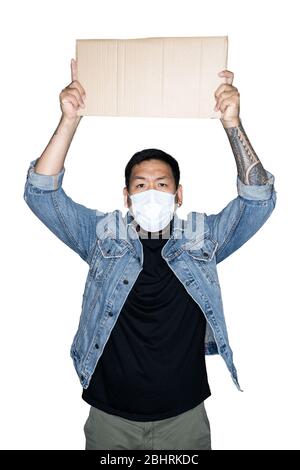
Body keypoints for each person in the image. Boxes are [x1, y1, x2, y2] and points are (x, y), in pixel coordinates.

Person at [23, 58, 277, 450]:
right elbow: (42, 194)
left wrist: (232, 124)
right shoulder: (102, 236)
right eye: (141, 184)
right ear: (126, 196)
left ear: (178, 195)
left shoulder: (201, 238)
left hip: (185, 417)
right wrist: (69, 120)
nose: (151, 192)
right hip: (110, 418)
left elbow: (258, 201)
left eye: (162, 183)